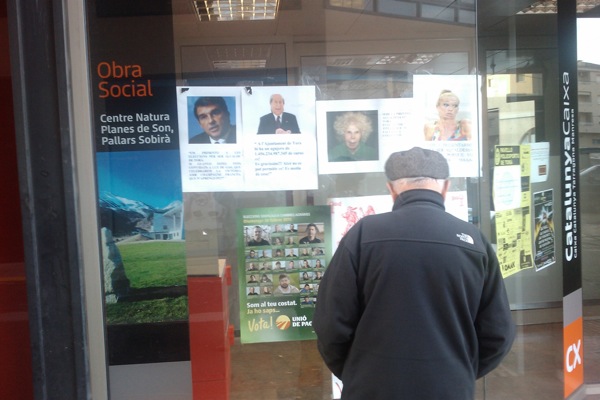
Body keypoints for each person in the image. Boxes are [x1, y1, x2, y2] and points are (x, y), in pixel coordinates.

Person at [313, 147, 515, 399]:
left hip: (371, 388)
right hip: (449, 389)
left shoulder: (363, 235)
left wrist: (356, 371)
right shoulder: (473, 242)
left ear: (391, 189)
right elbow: (498, 333)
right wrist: (458, 372)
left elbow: (330, 324)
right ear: (445, 187)